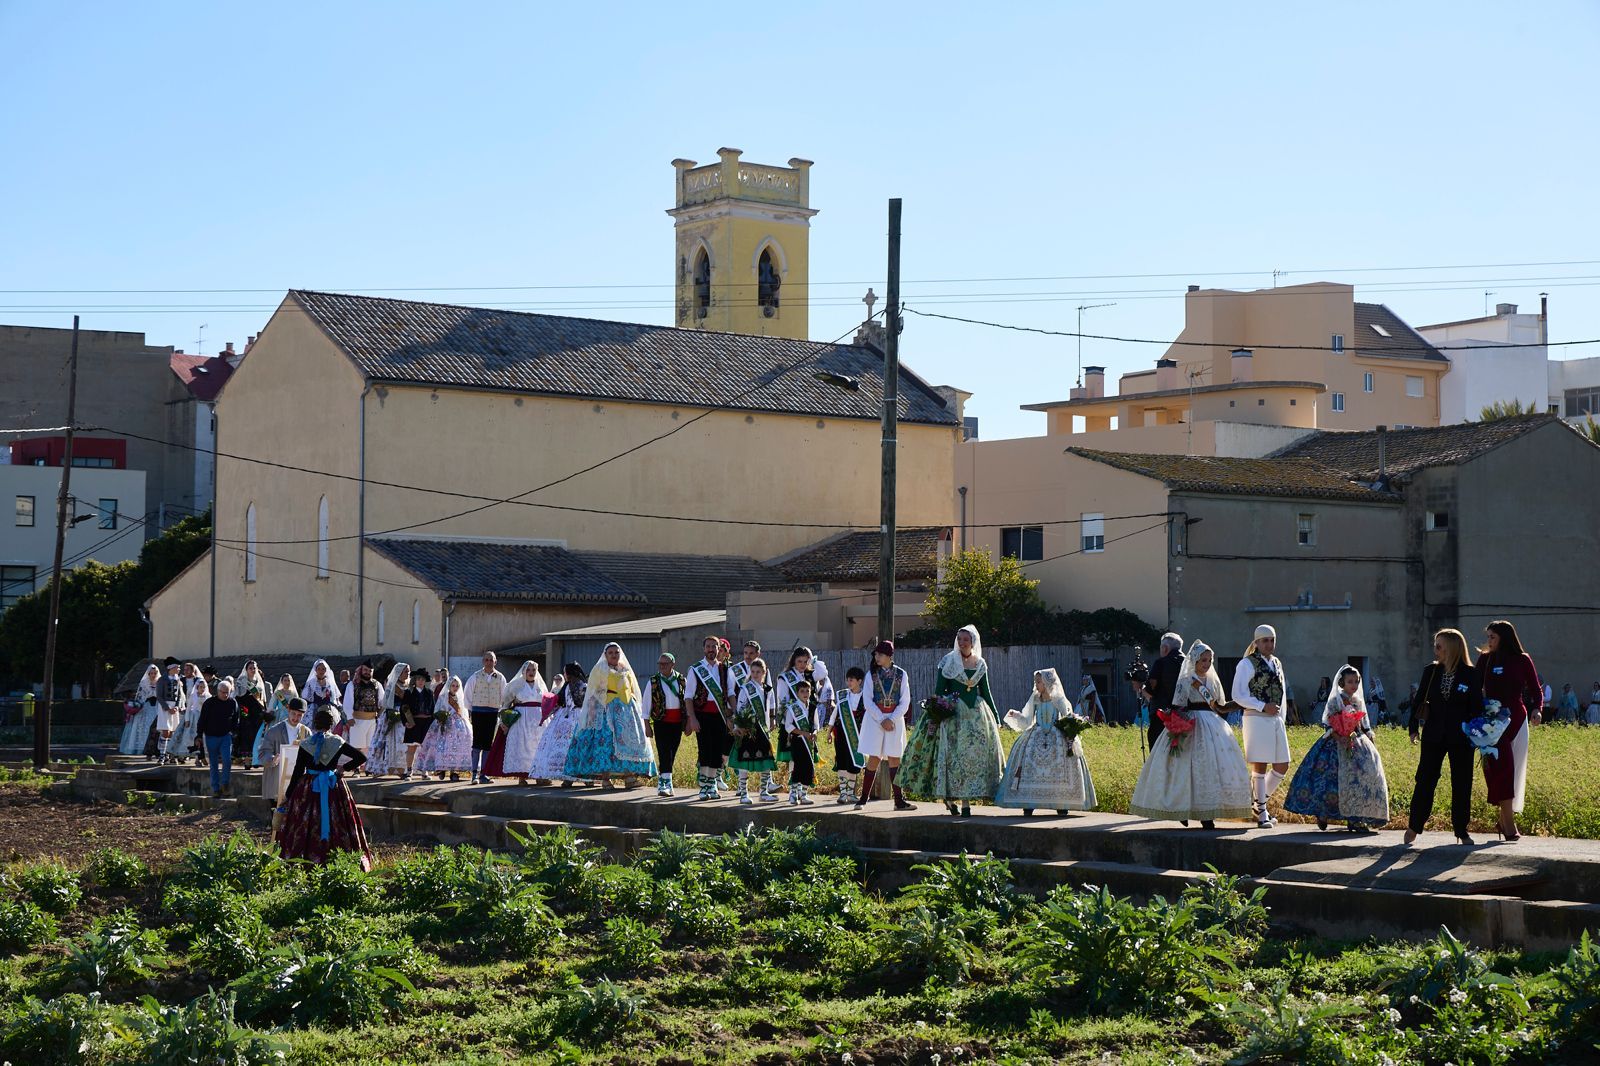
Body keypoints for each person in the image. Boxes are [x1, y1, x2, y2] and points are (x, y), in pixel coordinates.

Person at [1129, 640, 1252, 828]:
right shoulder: (1186, 681)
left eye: (1209, 660)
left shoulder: (1213, 680)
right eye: (1203, 660)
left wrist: (1243, 702)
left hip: (1213, 727)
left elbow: (1220, 706)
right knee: (1184, 769)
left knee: (1210, 769)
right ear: (1194, 661)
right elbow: (1178, 706)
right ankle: (1181, 808)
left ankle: (1208, 814)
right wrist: (1179, 727)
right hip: (1190, 725)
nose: (1207, 664)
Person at [899, 625, 1005, 817]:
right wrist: (936, 713)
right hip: (952, 714)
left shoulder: (980, 663)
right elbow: (940, 690)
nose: (962, 642)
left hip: (976, 716)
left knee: (974, 757)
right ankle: (951, 799)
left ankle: (967, 800)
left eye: (966, 639)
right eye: (960, 639)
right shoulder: (948, 661)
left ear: (973, 642)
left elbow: (986, 692)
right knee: (953, 758)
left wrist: (996, 716)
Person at [1284, 664, 1390, 832]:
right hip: (1336, 743)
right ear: (1342, 683)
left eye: (1356, 681)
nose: (1354, 685)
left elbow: (1363, 724)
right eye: (1350, 682)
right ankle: (1323, 813)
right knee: (1329, 780)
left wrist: (1369, 734)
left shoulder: (1358, 701)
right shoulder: (1335, 700)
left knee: (1361, 777)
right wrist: (1340, 737)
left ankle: (1355, 818)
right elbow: (1329, 724)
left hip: (1357, 742)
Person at [1404, 629, 1482, 846]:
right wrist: (1413, 728)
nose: (1435, 650)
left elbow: (1477, 707)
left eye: (1440, 646)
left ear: (1452, 648)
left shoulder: (1471, 674)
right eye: (1435, 645)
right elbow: (1418, 701)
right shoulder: (1430, 671)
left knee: (1462, 783)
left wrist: (1480, 734)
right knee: (1425, 780)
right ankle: (1414, 825)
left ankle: (1461, 830)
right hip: (1433, 735)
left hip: (1462, 738)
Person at [276, 708, 374, 870]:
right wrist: (343, 769)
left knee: (304, 823)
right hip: (332, 785)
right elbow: (361, 757)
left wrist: (289, 795)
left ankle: (302, 863)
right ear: (331, 725)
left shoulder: (306, 744)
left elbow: (298, 772)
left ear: (314, 724)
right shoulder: (337, 742)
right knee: (338, 821)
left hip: (308, 787)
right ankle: (339, 861)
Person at [995, 667, 1097, 816]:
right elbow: (1027, 720)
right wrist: (1016, 715)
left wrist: (1070, 730)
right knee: (1027, 761)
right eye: (1036, 682)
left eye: (1039, 682)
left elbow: (1067, 716)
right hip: (1036, 734)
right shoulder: (1035, 698)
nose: (1036, 685)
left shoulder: (1059, 699)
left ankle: (1061, 802)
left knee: (1060, 765)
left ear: (1048, 682)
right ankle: (1028, 802)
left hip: (1057, 737)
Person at [1478, 620, 1542, 842]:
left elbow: (1536, 690)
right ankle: (1508, 823)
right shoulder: (1485, 660)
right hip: (1491, 724)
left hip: (1517, 721)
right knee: (1498, 770)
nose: (1488, 641)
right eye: (1488, 637)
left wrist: (1537, 710)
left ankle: (1505, 820)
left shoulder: (1522, 660)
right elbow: (1475, 688)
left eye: (1492, 637)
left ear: (1504, 638)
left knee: (1511, 772)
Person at [564, 642, 656, 787]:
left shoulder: (625, 669)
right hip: (607, 710)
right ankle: (605, 778)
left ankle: (629, 776)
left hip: (626, 711)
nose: (614, 655)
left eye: (616, 652)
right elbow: (593, 691)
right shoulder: (600, 669)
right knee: (607, 743)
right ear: (605, 655)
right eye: (611, 653)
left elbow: (633, 689)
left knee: (627, 742)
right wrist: (595, 711)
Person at [1233, 624, 1292, 829]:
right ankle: (1262, 811)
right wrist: (1261, 706)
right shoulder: (1246, 664)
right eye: (1265, 640)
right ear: (1256, 642)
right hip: (1255, 718)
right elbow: (1238, 694)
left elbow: (1282, 692)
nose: (1269, 644)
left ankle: (1259, 803)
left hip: (1275, 720)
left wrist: (1281, 717)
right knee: (1260, 764)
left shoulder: (1276, 662)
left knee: (1283, 764)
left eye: (1272, 640)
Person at [854, 640, 916, 811]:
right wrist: (882, 719)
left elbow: (905, 701)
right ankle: (863, 798)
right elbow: (867, 700)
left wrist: (892, 718)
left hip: (895, 720)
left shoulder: (902, 675)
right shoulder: (871, 675)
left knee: (894, 757)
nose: (876, 657)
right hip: (875, 720)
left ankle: (899, 801)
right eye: (875, 654)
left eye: (880, 654)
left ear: (889, 656)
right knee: (874, 757)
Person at [774, 648, 832, 801]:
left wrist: (812, 660)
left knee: (807, 759)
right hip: (793, 721)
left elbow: (823, 672)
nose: (802, 664)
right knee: (794, 759)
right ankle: (793, 793)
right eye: (799, 661)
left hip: (809, 721)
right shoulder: (785, 677)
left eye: (805, 661)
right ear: (793, 660)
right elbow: (783, 700)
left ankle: (802, 792)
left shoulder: (810, 674)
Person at [685, 635, 736, 801]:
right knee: (705, 750)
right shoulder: (695, 669)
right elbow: (688, 697)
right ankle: (704, 786)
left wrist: (734, 714)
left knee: (717, 751)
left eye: (714, 646)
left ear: (719, 649)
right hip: (702, 715)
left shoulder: (725, 669)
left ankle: (711, 784)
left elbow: (730, 694)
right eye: (708, 646)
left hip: (720, 716)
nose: (711, 649)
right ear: (703, 648)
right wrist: (692, 718)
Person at [728, 657, 778, 804]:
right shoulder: (746, 689)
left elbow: (772, 706)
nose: (755, 674)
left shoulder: (768, 689)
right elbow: (740, 708)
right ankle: (744, 794)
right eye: (753, 671)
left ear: (764, 672)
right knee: (745, 760)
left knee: (766, 760)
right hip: (749, 728)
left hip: (763, 729)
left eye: (758, 671)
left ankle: (763, 792)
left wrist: (773, 720)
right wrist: (739, 727)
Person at [490, 660, 548, 785]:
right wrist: (505, 720)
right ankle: (522, 777)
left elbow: (545, 702)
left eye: (534, 670)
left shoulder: (541, 686)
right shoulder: (515, 685)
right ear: (523, 671)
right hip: (522, 722)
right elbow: (505, 704)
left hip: (538, 722)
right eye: (529, 670)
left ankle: (539, 775)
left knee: (538, 747)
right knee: (522, 747)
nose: (531, 672)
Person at [530, 663, 586, 786]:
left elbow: (582, 702)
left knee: (576, 746)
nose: (565, 675)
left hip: (577, 717)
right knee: (565, 747)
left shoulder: (582, 686)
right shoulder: (566, 687)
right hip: (565, 718)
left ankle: (582, 777)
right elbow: (559, 701)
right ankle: (567, 777)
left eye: (566, 672)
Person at [821, 666, 868, 805]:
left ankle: (851, 793)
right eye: (847, 680)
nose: (849, 682)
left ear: (859, 681)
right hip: (841, 732)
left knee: (854, 761)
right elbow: (835, 713)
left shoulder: (866, 696)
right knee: (841, 761)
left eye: (851, 680)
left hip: (857, 734)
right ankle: (843, 793)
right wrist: (829, 732)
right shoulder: (843, 695)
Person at [643, 653, 688, 796]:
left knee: (672, 752)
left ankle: (665, 779)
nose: (662, 666)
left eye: (665, 663)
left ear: (672, 664)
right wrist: (647, 725)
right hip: (661, 721)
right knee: (663, 751)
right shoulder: (653, 681)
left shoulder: (681, 680)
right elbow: (646, 704)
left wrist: (688, 722)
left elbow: (687, 702)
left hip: (677, 722)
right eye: (660, 664)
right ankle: (665, 783)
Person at [415, 675, 473, 781]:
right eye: (453, 686)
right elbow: (438, 709)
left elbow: (463, 712)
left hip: (458, 725)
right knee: (443, 746)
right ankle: (442, 769)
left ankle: (454, 771)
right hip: (445, 724)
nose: (455, 688)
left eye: (457, 686)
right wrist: (442, 718)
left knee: (457, 746)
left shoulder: (460, 697)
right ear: (449, 686)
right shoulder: (443, 697)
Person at [260, 696, 311, 812]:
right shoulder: (274, 730)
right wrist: (272, 759)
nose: (295, 718)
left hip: (298, 778)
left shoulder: (306, 732)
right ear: (288, 711)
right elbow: (264, 752)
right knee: (276, 817)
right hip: (278, 776)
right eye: (293, 714)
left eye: (299, 715)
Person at [464, 651, 508, 784]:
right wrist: (472, 711)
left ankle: (484, 773)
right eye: (486, 660)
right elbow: (468, 695)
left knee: (488, 744)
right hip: (478, 712)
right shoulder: (475, 676)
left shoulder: (500, 678)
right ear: (483, 661)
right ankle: (474, 774)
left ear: (495, 662)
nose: (489, 662)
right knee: (477, 743)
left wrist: (501, 711)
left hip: (493, 713)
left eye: (491, 660)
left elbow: (504, 696)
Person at [197, 678, 240, 796]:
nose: (225, 694)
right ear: (218, 691)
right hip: (211, 736)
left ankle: (225, 784)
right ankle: (216, 788)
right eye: (223, 692)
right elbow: (202, 720)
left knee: (227, 761)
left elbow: (236, 718)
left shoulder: (233, 702)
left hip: (226, 736)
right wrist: (199, 735)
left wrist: (234, 732)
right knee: (214, 764)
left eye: (227, 692)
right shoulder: (209, 703)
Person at [1142, 633, 1185, 751]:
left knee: (1158, 751)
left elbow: (1150, 690)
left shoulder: (1161, 663)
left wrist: (1141, 688)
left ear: (1165, 648)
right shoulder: (1189, 664)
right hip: (1186, 715)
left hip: (1162, 716)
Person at [368, 663, 410, 777]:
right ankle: (383, 768)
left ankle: (402, 769)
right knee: (389, 741)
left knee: (403, 742)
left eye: (408, 671)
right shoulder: (393, 685)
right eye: (405, 671)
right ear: (399, 672)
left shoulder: (408, 685)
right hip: (393, 714)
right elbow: (387, 702)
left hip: (405, 714)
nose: (408, 673)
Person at [783, 678, 821, 805]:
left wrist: (814, 733)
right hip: (798, 742)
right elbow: (788, 726)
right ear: (797, 693)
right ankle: (793, 794)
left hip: (809, 742)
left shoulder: (813, 707)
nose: (805, 693)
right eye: (802, 691)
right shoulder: (792, 708)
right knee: (797, 767)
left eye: (807, 691)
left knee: (808, 768)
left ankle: (803, 795)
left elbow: (816, 725)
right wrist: (803, 733)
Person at [342, 660, 387, 767]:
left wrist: (381, 715)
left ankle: (369, 767)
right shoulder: (353, 684)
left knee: (371, 745)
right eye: (365, 670)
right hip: (357, 720)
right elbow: (347, 702)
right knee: (356, 745)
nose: (367, 672)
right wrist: (349, 717)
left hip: (373, 720)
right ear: (361, 670)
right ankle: (356, 767)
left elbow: (382, 701)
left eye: (370, 671)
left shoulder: (377, 684)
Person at [396, 667, 435, 779]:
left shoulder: (429, 693)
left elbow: (433, 709)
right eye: (418, 679)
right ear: (415, 680)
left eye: (422, 679)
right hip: (413, 723)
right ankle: (409, 771)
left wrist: (432, 724)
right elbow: (403, 708)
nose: (421, 681)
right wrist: (405, 722)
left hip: (426, 723)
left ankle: (424, 771)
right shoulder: (409, 693)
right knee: (411, 748)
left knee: (425, 749)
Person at [234, 661, 270, 767]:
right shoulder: (241, 681)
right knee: (246, 734)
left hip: (257, 711)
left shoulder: (259, 681)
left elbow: (263, 699)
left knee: (257, 734)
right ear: (246, 669)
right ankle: (246, 760)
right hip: (245, 709)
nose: (252, 670)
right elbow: (238, 696)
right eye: (250, 668)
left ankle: (256, 759)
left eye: (254, 668)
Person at [122, 664, 162, 757]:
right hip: (146, 707)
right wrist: (148, 696)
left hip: (157, 706)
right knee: (144, 726)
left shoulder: (160, 682)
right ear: (148, 674)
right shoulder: (144, 683)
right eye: (151, 673)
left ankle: (156, 748)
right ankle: (142, 747)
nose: (153, 675)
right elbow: (140, 697)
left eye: (155, 673)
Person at [154, 657, 187, 764]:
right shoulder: (162, 680)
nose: (179, 669)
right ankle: (162, 755)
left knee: (173, 732)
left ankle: (170, 755)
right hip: (165, 707)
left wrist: (177, 706)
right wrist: (167, 708)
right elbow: (159, 696)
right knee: (165, 731)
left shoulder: (177, 679)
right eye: (177, 667)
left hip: (174, 707)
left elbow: (178, 696)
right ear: (171, 668)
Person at [303, 660, 342, 725]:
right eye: (319, 669)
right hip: (314, 710)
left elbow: (334, 697)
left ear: (326, 670)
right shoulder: (311, 683)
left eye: (323, 669)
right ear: (315, 670)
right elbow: (306, 697)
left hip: (328, 710)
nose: (321, 671)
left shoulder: (330, 683)